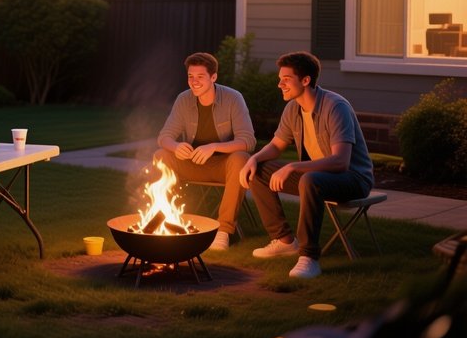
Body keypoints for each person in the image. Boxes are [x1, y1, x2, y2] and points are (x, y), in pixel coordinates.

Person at [240, 51, 374, 280]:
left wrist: (293, 167)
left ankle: (309, 257)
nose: (279, 84)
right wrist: (253, 159)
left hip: (352, 179)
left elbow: (341, 162)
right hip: (316, 177)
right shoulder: (293, 108)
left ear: (305, 80)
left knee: (310, 179)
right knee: (259, 171)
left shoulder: (335, 106)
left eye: (286, 79)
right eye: (280, 78)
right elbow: (276, 145)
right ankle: (284, 241)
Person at [155, 51, 256, 250]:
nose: (194, 82)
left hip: (223, 167)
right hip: (192, 164)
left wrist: (215, 147)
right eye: (190, 77)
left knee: (241, 158)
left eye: (200, 77)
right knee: (161, 156)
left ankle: (223, 232)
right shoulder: (183, 99)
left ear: (213, 77)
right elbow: (163, 137)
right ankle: (168, 219)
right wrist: (176, 147)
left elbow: (248, 140)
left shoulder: (233, 98)